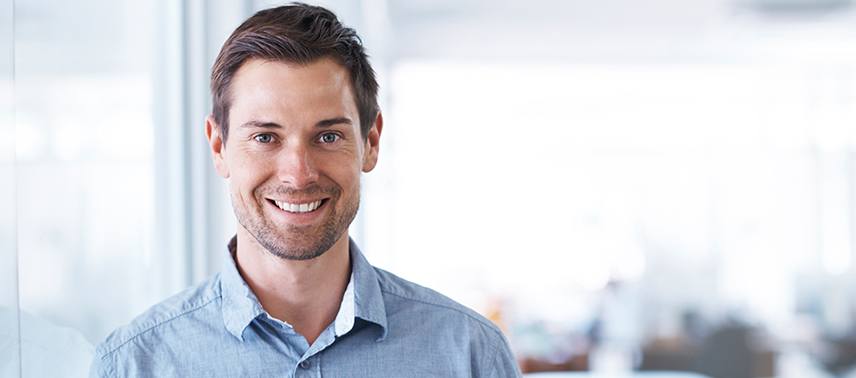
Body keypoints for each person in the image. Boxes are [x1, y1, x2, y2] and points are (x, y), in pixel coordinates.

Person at [90, 3, 520, 377]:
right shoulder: (134, 365)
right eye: (265, 137)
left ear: (371, 143)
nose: (298, 174)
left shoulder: (470, 356)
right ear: (218, 147)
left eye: (328, 136)